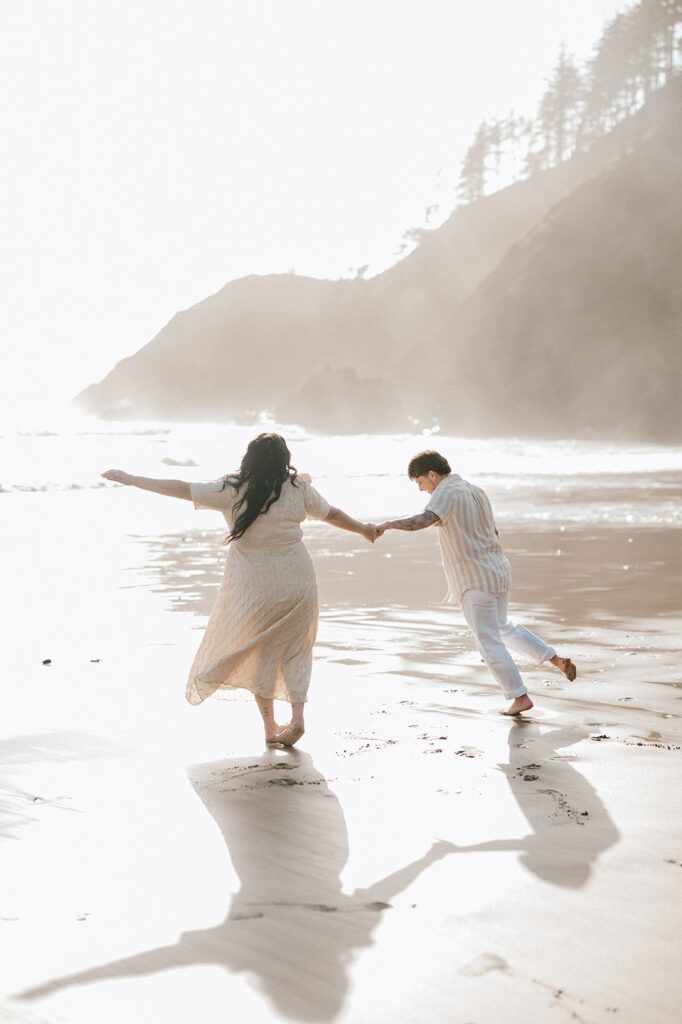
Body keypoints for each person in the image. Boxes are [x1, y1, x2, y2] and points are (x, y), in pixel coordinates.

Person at [102, 433, 378, 746]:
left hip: (256, 586)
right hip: (298, 579)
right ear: (284, 460)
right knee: (298, 648)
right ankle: (298, 719)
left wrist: (134, 479)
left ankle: (271, 728)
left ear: (249, 458)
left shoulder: (231, 490)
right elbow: (333, 514)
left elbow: (181, 488)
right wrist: (364, 529)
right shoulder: (298, 487)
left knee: (262, 651)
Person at [376, 450, 576, 716]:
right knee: (503, 628)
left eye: (420, 483)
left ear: (432, 475)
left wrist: (388, 525)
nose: (422, 490)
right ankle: (555, 659)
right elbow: (493, 531)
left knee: (488, 640)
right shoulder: (475, 490)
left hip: (474, 578)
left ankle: (519, 696)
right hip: (498, 571)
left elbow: (424, 520)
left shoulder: (445, 492)